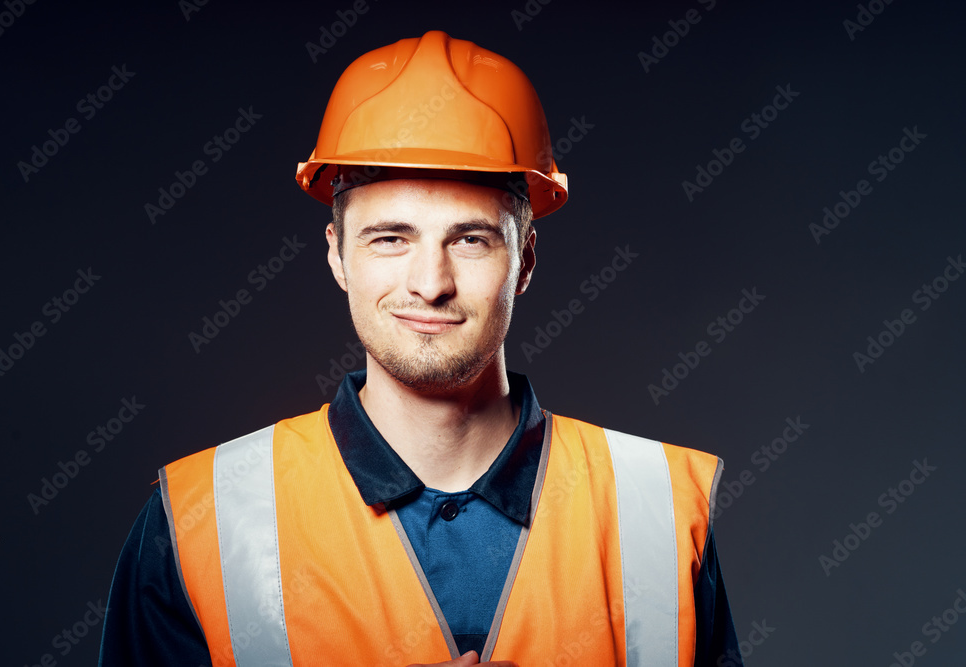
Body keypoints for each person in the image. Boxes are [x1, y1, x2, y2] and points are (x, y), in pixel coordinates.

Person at [99, 30, 740, 667]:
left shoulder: (656, 508)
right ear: (337, 255)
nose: (430, 284)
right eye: (390, 239)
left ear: (525, 261)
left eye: (470, 240)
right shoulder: (199, 520)